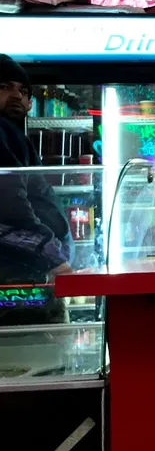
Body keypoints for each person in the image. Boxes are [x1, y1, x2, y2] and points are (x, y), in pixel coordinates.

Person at [0, 54, 72, 325]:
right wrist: (52, 258)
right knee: (37, 356)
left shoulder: (12, 134)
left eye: (22, 90)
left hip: (24, 275)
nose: (16, 95)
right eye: (5, 87)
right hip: (17, 279)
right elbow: (8, 201)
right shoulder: (2, 132)